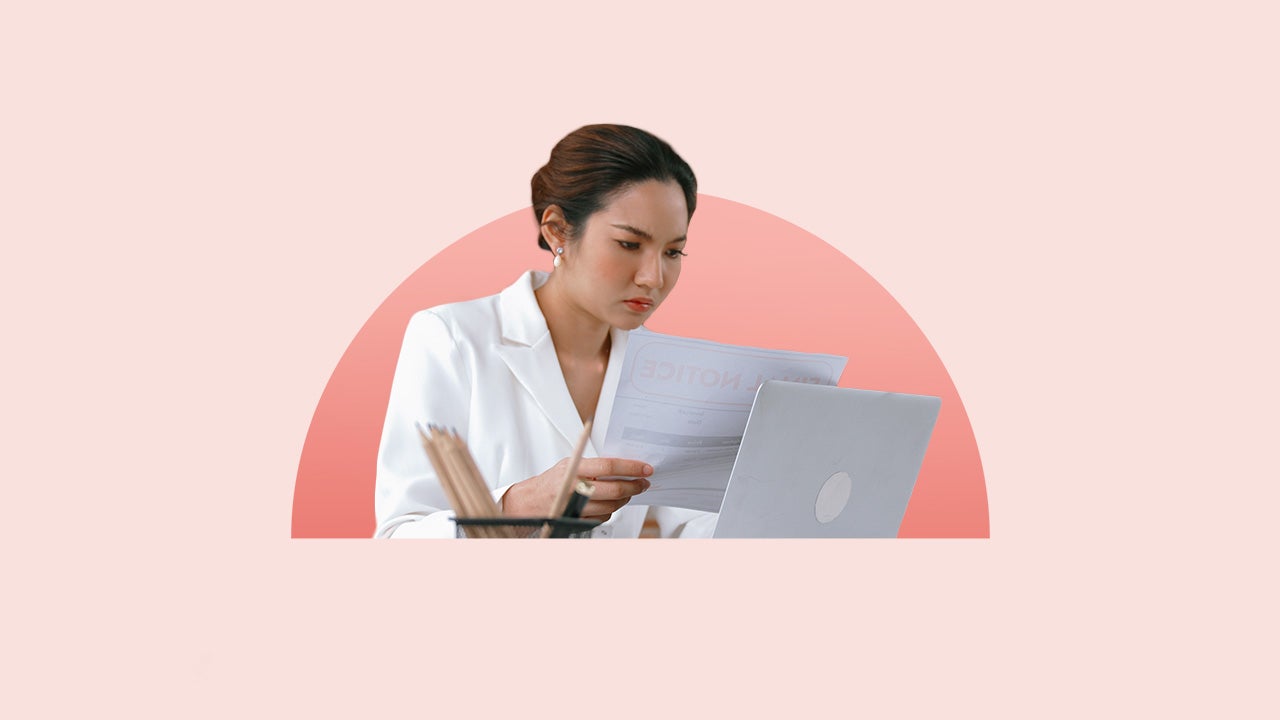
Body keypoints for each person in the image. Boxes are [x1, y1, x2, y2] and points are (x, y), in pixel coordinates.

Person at [374, 124, 718, 538]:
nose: (653, 277)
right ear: (556, 230)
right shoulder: (450, 339)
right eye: (629, 244)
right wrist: (518, 506)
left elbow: (680, 523)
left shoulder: (664, 366)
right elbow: (397, 536)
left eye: (673, 252)